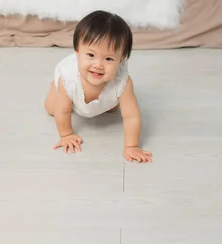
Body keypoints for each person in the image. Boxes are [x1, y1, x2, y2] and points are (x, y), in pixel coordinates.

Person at [44, 10, 152, 163]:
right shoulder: (68, 79)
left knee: (113, 106)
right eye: (90, 55)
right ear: (77, 52)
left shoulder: (123, 82)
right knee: (52, 109)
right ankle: (54, 88)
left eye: (108, 58)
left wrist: (132, 146)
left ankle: (103, 101)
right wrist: (66, 135)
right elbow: (62, 112)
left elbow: (132, 116)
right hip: (69, 91)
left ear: (121, 60)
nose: (98, 65)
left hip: (106, 90)